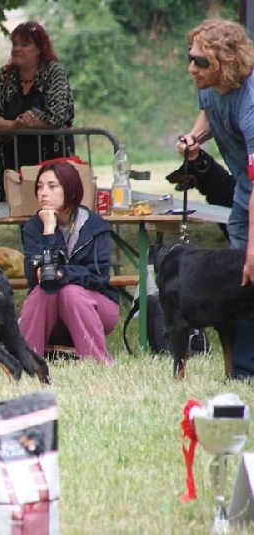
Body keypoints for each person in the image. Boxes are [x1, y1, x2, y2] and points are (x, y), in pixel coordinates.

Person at [178, 18, 254, 379]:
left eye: (200, 62)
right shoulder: (208, 86)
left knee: (250, 268)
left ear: (226, 63)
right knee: (243, 284)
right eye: (190, 58)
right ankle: (244, 370)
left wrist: (252, 248)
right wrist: (194, 138)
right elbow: (209, 113)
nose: (191, 68)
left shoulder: (251, 103)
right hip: (244, 194)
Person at [19, 162, 118, 365]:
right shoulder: (33, 227)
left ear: (70, 189)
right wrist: (48, 230)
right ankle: (28, 361)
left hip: (96, 307)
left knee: (69, 292)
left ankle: (97, 364)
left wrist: (62, 275)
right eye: (39, 186)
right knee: (44, 291)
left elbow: (98, 277)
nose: (43, 193)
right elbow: (35, 277)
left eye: (52, 186)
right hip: (50, 312)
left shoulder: (95, 226)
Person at [0, 21, 75, 201]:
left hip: (51, 160)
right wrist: (15, 124)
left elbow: (56, 117)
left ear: (39, 49)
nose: (17, 49)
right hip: (13, 162)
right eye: (15, 44)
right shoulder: (5, 75)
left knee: (51, 207)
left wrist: (27, 122)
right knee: (16, 210)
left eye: (25, 44)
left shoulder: (54, 72)